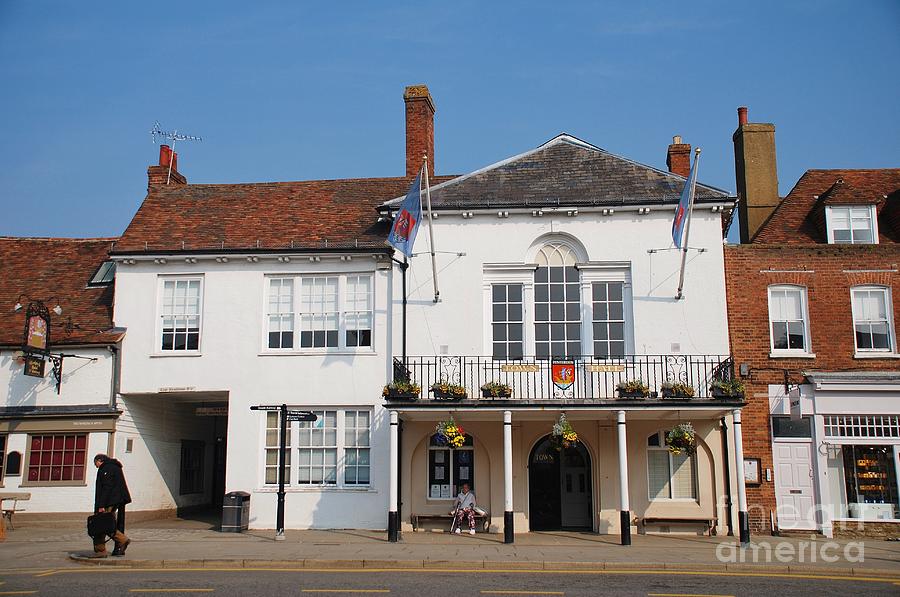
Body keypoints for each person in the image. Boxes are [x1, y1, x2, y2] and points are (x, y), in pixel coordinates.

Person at [90, 453, 132, 558]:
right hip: (117, 500)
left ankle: (118, 541)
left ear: (100, 460)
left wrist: (101, 505)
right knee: (106, 523)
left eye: (96, 463)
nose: (96, 466)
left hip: (109, 501)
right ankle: (107, 547)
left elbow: (106, 487)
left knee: (101, 524)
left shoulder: (106, 468)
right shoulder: (115, 467)